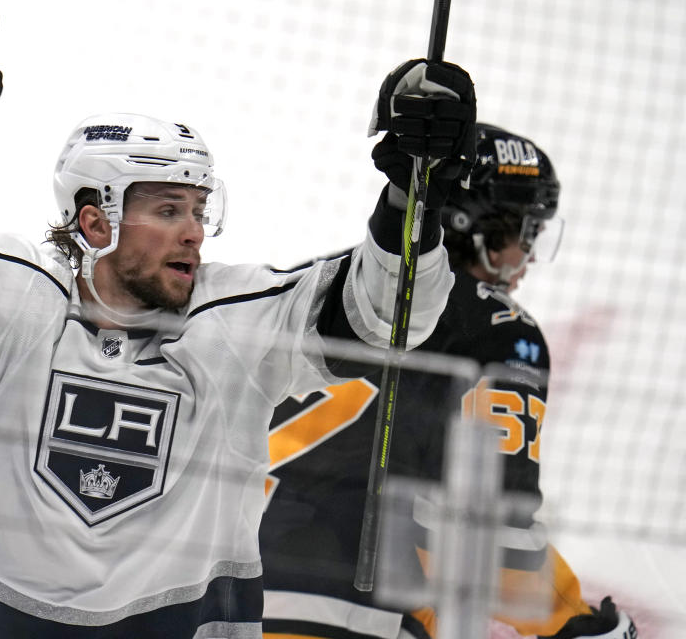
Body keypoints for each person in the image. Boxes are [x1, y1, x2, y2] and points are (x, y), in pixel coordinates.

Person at [0, 13, 477, 639]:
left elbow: (387, 315)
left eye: (198, 209)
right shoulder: (14, 297)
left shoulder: (239, 324)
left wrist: (411, 194)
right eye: (167, 209)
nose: (193, 232)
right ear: (95, 222)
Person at [259, 124, 637, 639]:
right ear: (472, 222)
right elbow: (494, 537)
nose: (523, 260)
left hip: (214, 600)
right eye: (522, 232)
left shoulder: (302, 289)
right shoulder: (497, 328)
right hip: (350, 616)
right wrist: (577, 623)